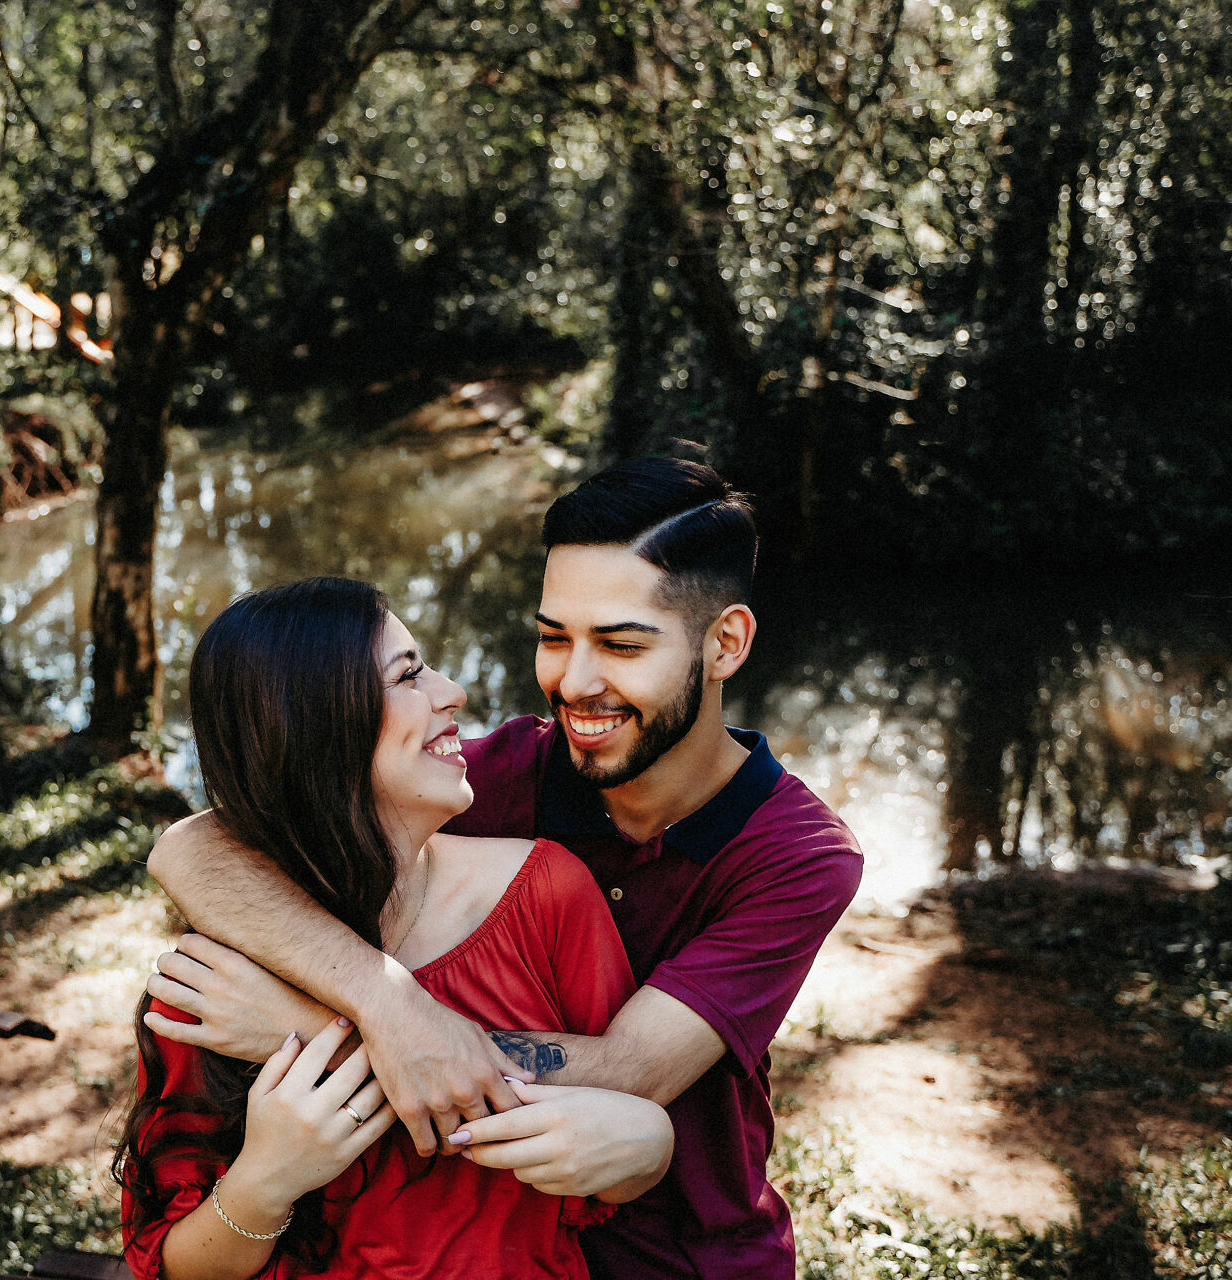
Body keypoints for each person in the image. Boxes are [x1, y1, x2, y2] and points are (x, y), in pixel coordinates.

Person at [143, 456, 865, 1279]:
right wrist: (384, 1001)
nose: (574, 680)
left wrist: (307, 1031)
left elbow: (633, 1073)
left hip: (683, 1245)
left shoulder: (798, 857)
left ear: (725, 643)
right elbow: (194, 845)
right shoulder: (503, 774)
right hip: (497, 1222)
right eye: (554, 637)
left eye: (622, 645)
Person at [115, 576, 674, 1280]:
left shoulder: (548, 895)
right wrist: (264, 1182)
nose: (452, 692)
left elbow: (605, 1178)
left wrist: (646, 1148)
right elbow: (170, 1267)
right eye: (408, 675)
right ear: (320, 728)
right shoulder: (220, 985)